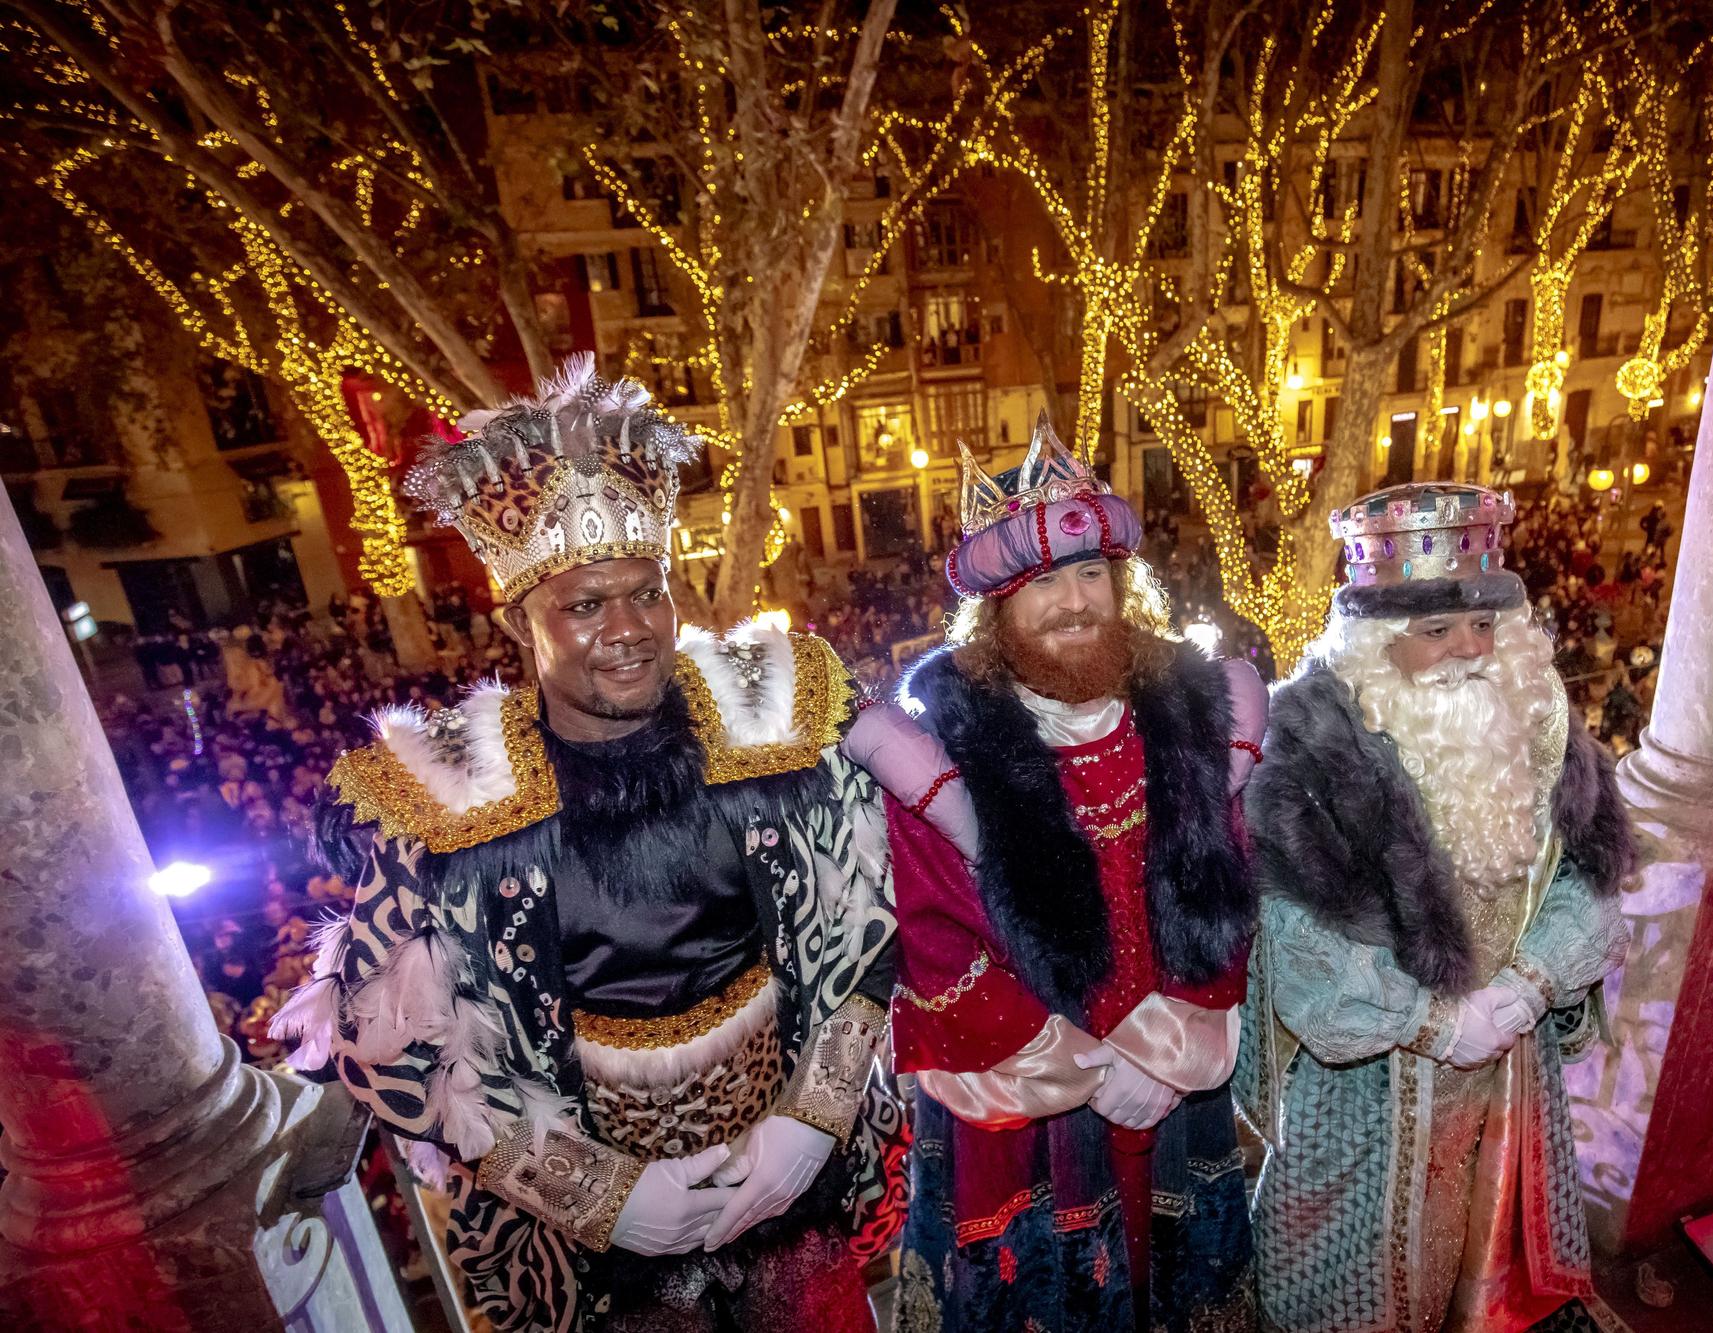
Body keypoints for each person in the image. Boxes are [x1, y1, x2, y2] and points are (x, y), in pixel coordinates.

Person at [273, 356, 902, 1331]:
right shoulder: (451, 801)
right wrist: (603, 1197)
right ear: (519, 617)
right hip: (602, 1267)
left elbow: (866, 928)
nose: (629, 629)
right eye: (583, 603)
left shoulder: (765, 729)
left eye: (645, 592)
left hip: (786, 1206)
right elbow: (383, 1044)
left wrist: (807, 1128)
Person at [846, 414, 1263, 1331]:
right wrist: (1086, 1070)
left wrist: (1168, 1050)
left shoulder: (1183, 710)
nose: (1075, 601)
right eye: (1043, 582)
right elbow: (938, 937)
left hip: (1175, 1087)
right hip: (1029, 1112)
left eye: (1089, 572)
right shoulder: (946, 743)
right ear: (993, 608)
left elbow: (1222, 882)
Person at [1237, 482, 1635, 1332]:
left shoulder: (1541, 726)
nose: (1468, 649)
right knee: (1341, 1287)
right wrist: (1435, 1021)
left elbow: (1593, 882)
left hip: (1504, 1076)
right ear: (1379, 640)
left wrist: (1526, 987)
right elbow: (1295, 942)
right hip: (1361, 1094)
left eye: (1483, 625)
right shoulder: (1309, 743)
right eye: (1436, 629)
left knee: (1481, 1269)